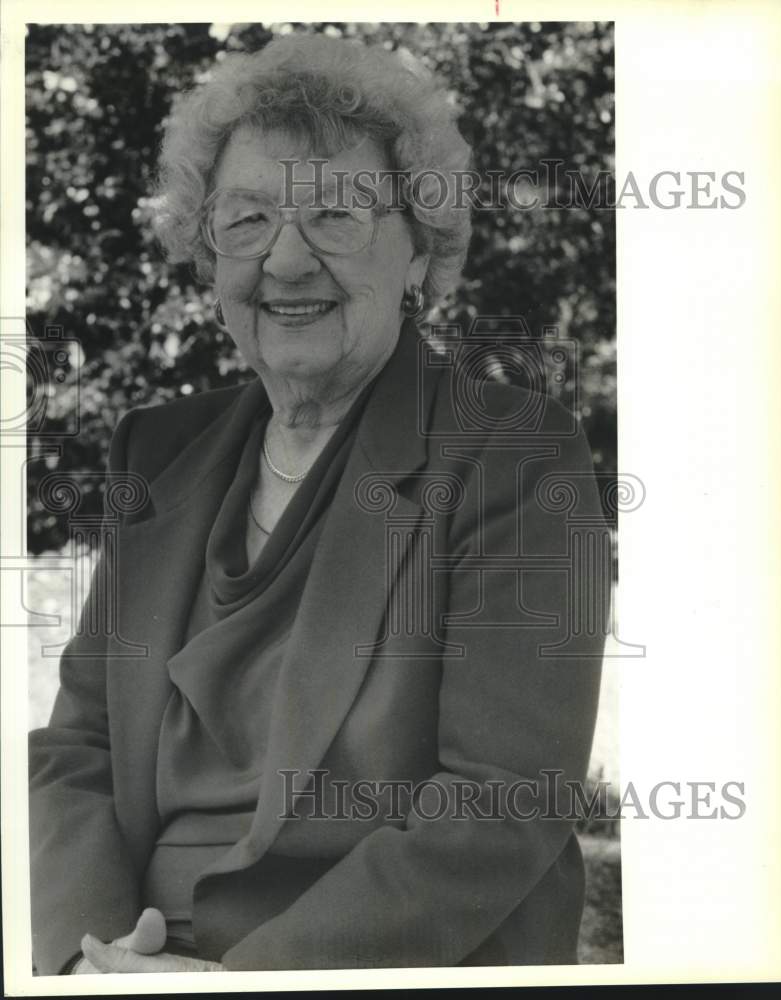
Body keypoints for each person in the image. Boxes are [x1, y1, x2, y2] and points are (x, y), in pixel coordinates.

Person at [29, 32, 608, 974]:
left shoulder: (512, 454)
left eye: (336, 214)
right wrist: (83, 962)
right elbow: (75, 749)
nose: (285, 262)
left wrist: (244, 985)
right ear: (207, 251)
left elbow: (507, 796)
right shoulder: (159, 450)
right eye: (247, 220)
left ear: (419, 253)